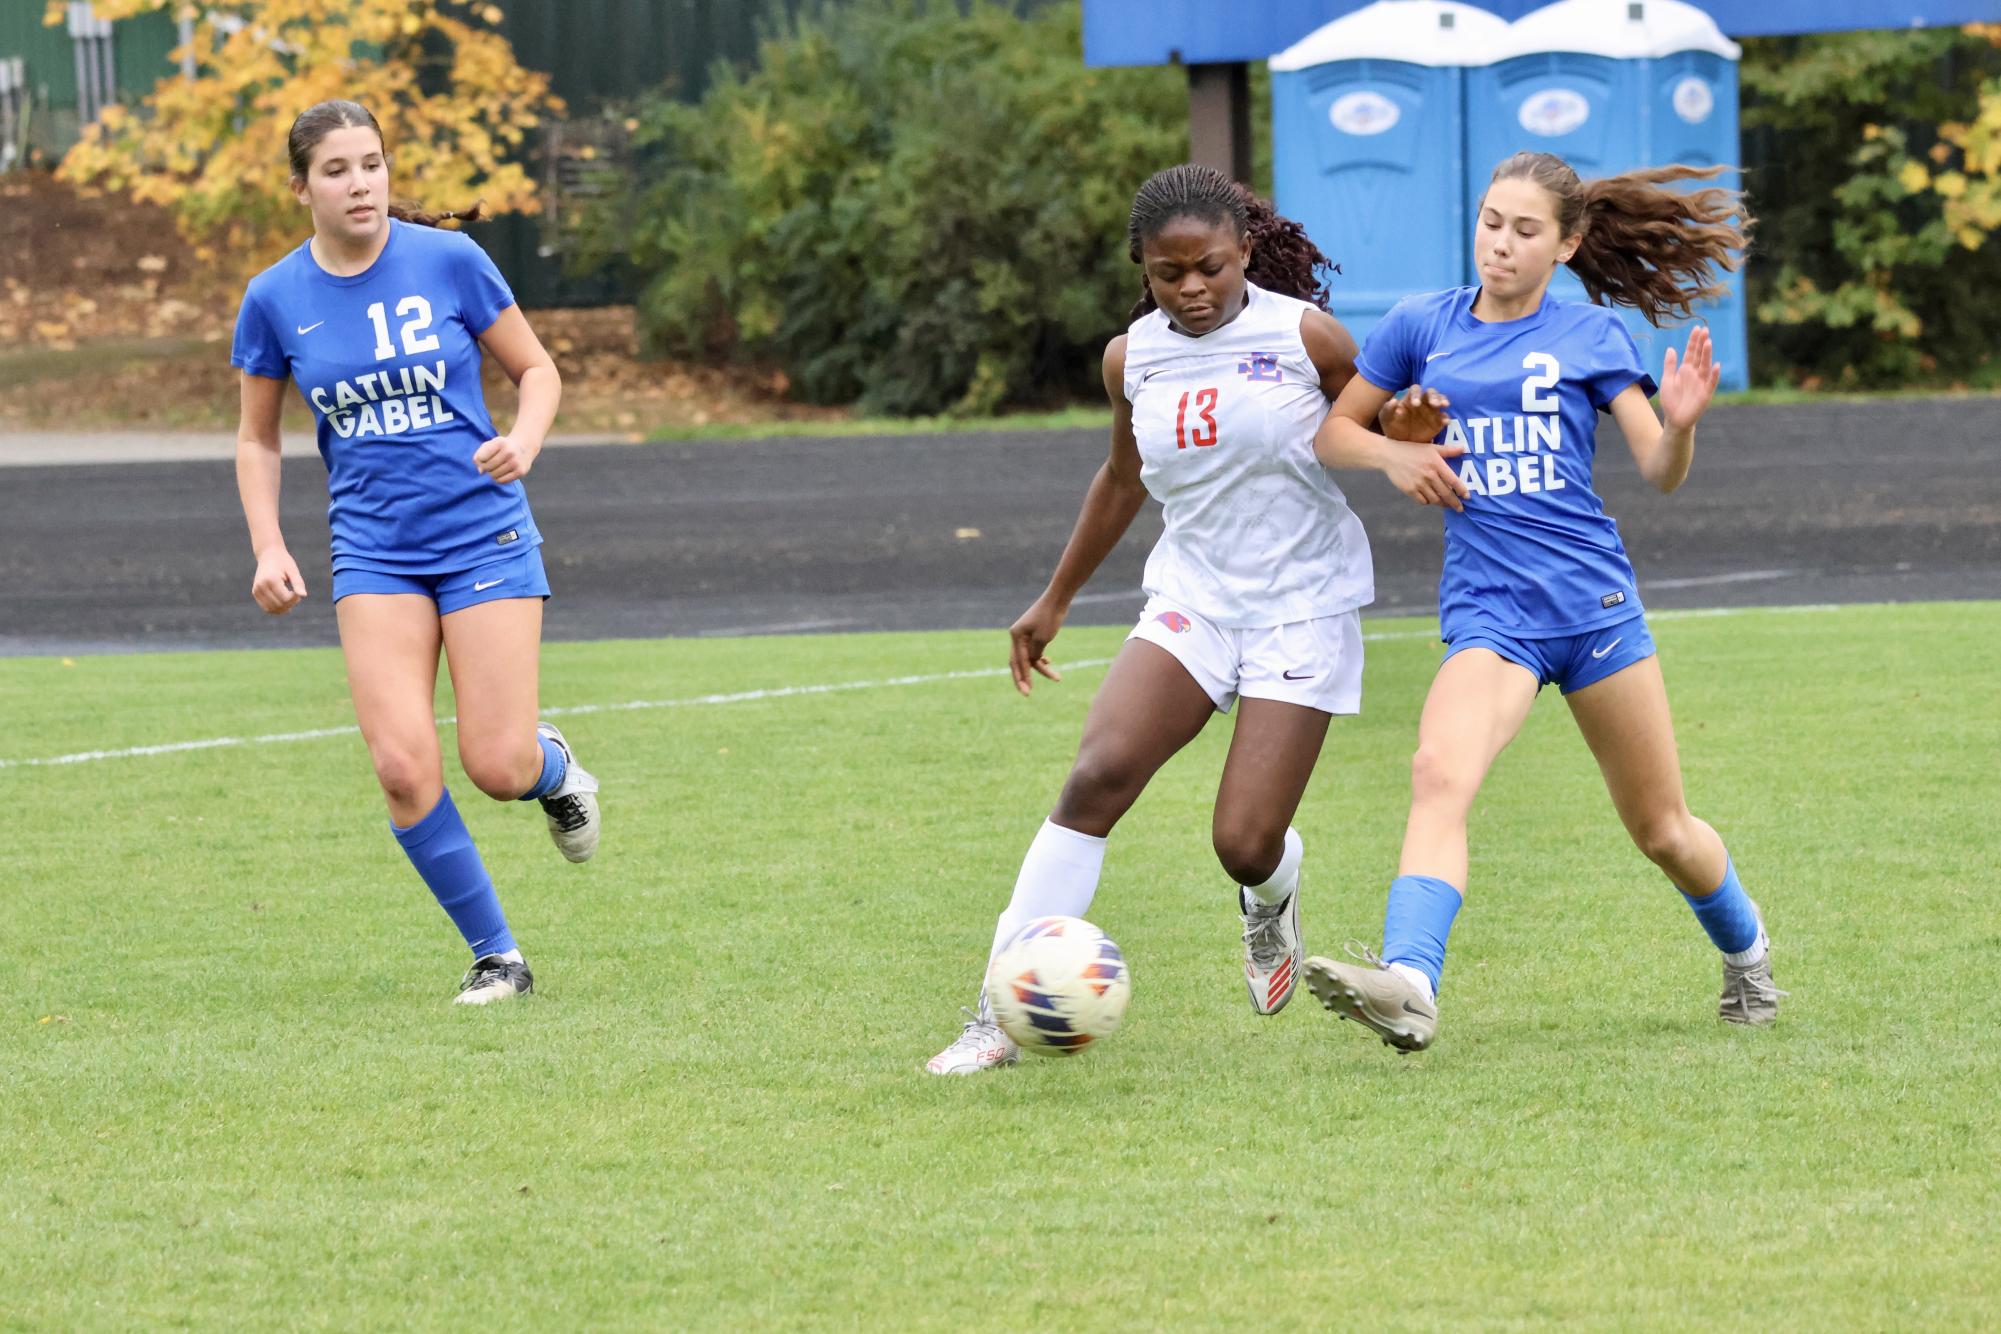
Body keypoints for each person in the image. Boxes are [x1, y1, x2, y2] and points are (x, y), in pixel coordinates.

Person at [926, 163, 1443, 1075]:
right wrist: (1054, 600)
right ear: (1143, 270)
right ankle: (994, 1014)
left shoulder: (1306, 337)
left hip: (1300, 610)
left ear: (1245, 250)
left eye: (1209, 266)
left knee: (1243, 844)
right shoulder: (1132, 356)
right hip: (1192, 602)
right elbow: (1123, 478)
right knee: (1095, 778)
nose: (1193, 289)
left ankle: (1269, 898)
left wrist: (1406, 435)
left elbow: (1362, 430)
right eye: (1170, 275)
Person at [1301, 151, 1780, 1053]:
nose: (1500, 245)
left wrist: (1677, 425)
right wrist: (1393, 455)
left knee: (1662, 830)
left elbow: (1657, 472)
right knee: (1437, 773)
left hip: (1594, 610)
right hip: (1492, 615)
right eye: (1490, 222)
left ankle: (1747, 955)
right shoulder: (1419, 325)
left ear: (1566, 245)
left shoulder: (1593, 337)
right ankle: (1410, 983)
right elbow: (1333, 432)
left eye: (1525, 231)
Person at [230, 99, 601, 1006]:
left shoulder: (449, 260)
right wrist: (268, 544)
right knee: (401, 766)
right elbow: (257, 438)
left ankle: (552, 770)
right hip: (373, 552)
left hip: (482, 532)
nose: (359, 182)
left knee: (496, 766)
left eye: (372, 163)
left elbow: (538, 370)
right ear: (301, 188)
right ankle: (497, 955)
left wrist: (526, 439)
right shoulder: (275, 297)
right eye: (336, 169)